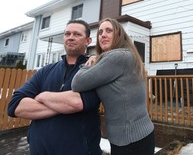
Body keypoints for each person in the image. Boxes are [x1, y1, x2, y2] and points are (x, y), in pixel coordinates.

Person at [7, 19, 102, 155]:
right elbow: (15, 105)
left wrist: (43, 96)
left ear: (88, 41)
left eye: (76, 34)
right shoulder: (46, 71)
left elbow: (76, 103)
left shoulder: (94, 70)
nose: (70, 37)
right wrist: (63, 105)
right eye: (67, 34)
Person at [71, 18, 155, 155]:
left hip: (131, 140)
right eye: (100, 32)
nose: (102, 35)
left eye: (109, 31)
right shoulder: (125, 55)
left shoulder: (117, 57)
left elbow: (77, 83)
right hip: (135, 135)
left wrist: (87, 63)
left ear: (119, 35)